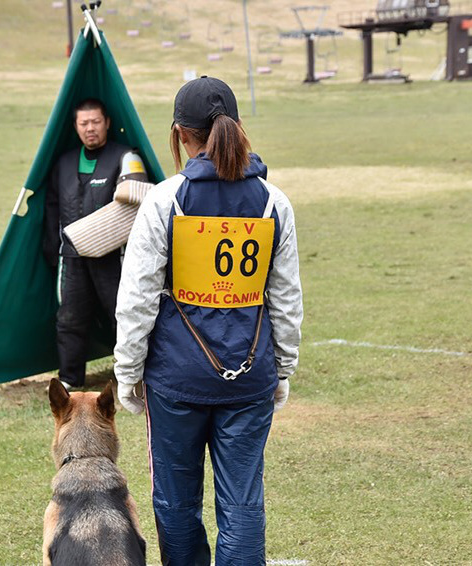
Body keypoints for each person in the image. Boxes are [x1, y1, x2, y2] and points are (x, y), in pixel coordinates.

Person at [113, 77, 303, 565]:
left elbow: (136, 298)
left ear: (180, 133)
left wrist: (127, 373)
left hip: (176, 380)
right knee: (243, 503)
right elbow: (284, 299)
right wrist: (283, 368)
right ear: (236, 128)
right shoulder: (273, 202)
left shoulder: (164, 199)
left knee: (176, 503)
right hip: (249, 377)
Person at [44, 98, 147, 390]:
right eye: (84, 123)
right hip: (72, 258)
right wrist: (52, 250)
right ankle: (69, 380)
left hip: (113, 257)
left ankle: (131, 378)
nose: (90, 129)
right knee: (70, 319)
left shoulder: (126, 156)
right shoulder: (63, 163)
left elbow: (137, 197)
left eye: (96, 122)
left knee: (123, 317)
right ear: (76, 127)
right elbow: (52, 208)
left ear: (107, 123)